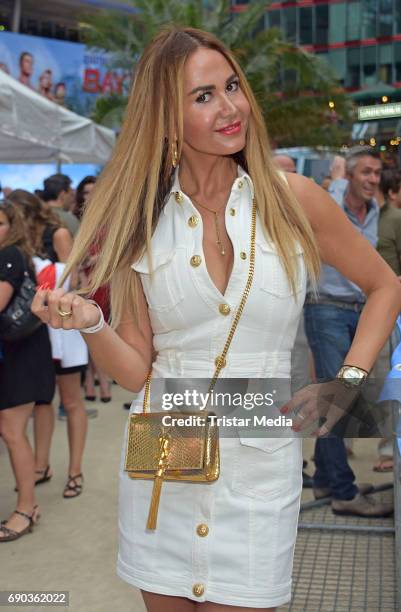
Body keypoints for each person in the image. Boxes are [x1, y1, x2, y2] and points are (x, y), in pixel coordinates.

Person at [32, 27, 401, 611]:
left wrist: (347, 383)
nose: (231, 106)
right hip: (166, 438)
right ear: (165, 115)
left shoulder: (292, 197)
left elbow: (385, 286)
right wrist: (89, 322)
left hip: (260, 444)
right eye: (203, 96)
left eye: (232, 86)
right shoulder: (141, 218)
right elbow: (134, 372)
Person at [304, 146, 394, 517]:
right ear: (349, 176)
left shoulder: (375, 212)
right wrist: (338, 180)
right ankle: (343, 491)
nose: (373, 180)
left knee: (343, 399)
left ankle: (327, 477)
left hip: (359, 310)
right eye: (366, 173)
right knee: (336, 402)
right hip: (325, 308)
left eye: (377, 174)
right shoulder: (332, 203)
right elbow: (325, 198)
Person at [9, 189, 92, 497]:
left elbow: (76, 283)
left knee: (70, 401)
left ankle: (75, 471)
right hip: (37, 332)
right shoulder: (18, 244)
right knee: (42, 402)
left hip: (64, 329)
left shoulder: (57, 234)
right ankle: (41, 465)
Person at [0, 200, 55, 541]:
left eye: (1, 222)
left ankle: (26, 507)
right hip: (13, 354)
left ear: (13, 225)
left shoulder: (10, 255)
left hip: (20, 355)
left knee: (12, 429)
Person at [75, 176, 112, 403]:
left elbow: (119, 250)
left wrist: (97, 258)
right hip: (83, 282)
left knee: (101, 332)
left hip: (104, 282)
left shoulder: (110, 216)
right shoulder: (78, 219)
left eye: (93, 191)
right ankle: (91, 382)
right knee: (84, 335)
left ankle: (104, 382)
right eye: (86, 192)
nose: (89, 196)